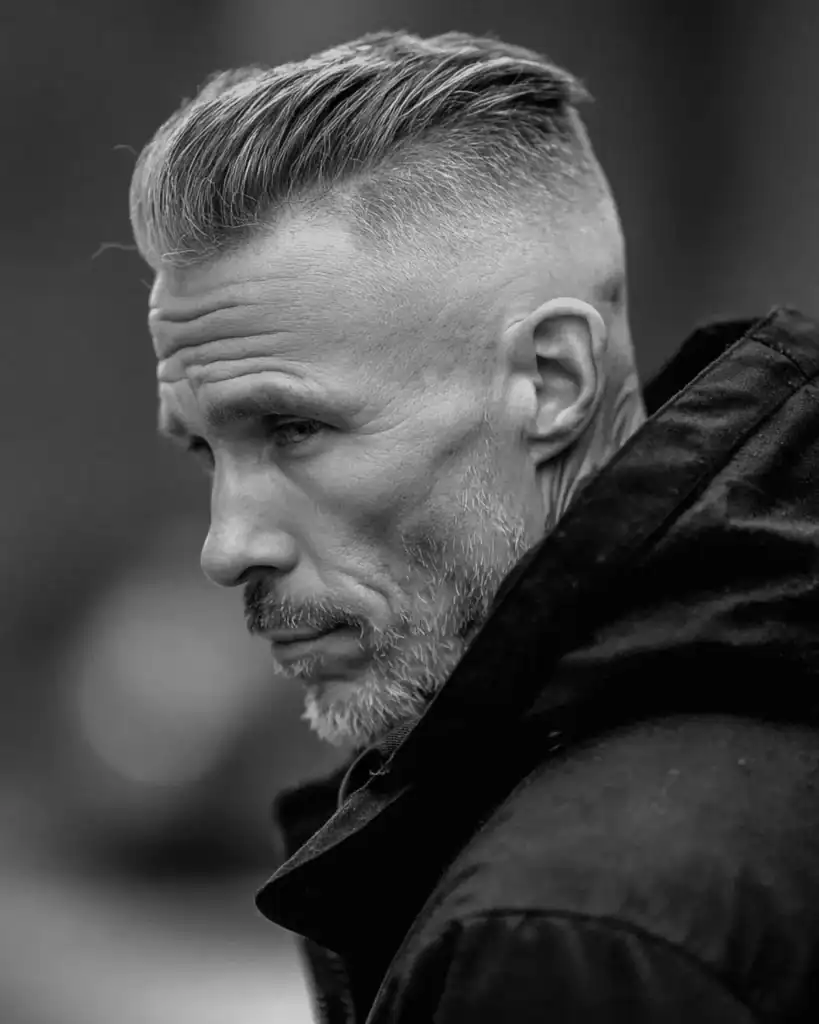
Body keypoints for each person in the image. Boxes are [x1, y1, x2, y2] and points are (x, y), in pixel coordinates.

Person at [129, 29, 819, 1023]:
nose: (227, 546)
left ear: (553, 381)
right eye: (206, 450)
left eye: (295, 428)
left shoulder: (566, 936)